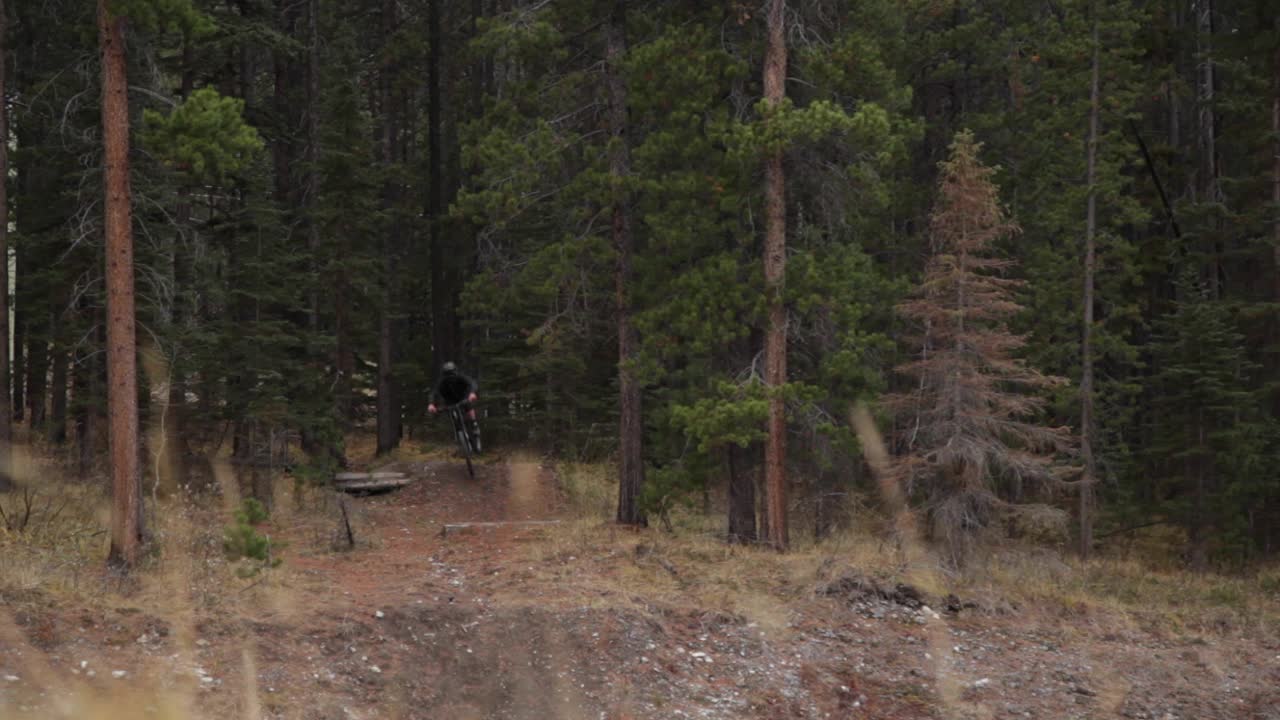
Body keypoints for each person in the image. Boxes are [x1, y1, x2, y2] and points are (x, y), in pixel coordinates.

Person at [428, 361, 481, 452]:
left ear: (455, 372)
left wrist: (472, 393)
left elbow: (472, 383)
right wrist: (431, 404)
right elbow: (434, 393)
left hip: (463, 397)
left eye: (452, 374)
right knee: (452, 415)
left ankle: (474, 423)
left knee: (468, 405)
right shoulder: (442, 383)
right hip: (450, 402)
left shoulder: (461, 377)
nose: (450, 377)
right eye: (447, 375)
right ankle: (460, 436)